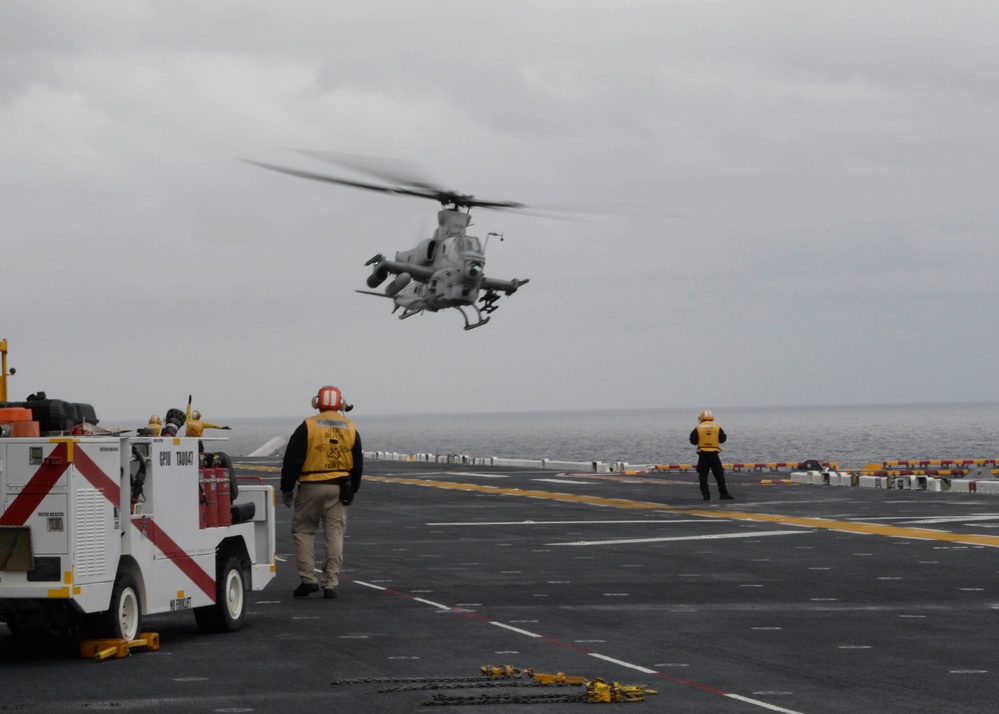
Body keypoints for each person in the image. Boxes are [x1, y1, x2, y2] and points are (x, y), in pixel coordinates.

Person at [280, 385, 363, 599]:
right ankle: (330, 584)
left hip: (310, 486)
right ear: (341, 404)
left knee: (304, 530)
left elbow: (292, 460)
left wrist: (287, 488)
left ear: (316, 403)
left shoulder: (308, 426)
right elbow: (357, 463)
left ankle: (308, 579)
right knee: (334, 534)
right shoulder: (350, 427)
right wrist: (353, 488)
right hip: (338, 487)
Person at [689, 409, 733, 501]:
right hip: (714, 454)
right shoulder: (717, 427)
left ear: (702, 417)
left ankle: (706, 495)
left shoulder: (699, 427)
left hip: (703, 455)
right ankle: (723, 493)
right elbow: (723, 439)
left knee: (703, 476)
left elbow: (693, 440)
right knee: (719, 475)